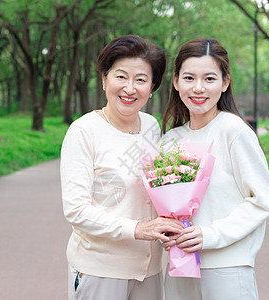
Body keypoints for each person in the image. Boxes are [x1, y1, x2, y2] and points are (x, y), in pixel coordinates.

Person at [60, 35, 184, 300]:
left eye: (141, 80)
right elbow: (76, 209)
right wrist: (138, 229)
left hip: (149, 270)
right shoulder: (84, 131)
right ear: (104, 79)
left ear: (152, 87)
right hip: (100, 270)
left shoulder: (152, 126)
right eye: (120, 77)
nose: (130, 88)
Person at [161, 38, 269, 300]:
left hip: (227, 266)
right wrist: (166, 232)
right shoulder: (169, 140)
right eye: (189, 78)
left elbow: (263, 200)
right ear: (176, 81)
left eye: (209, 79)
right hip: (179, 266)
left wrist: (210, 235)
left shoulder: (234, 132)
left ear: (225, 83)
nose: (198, 88)